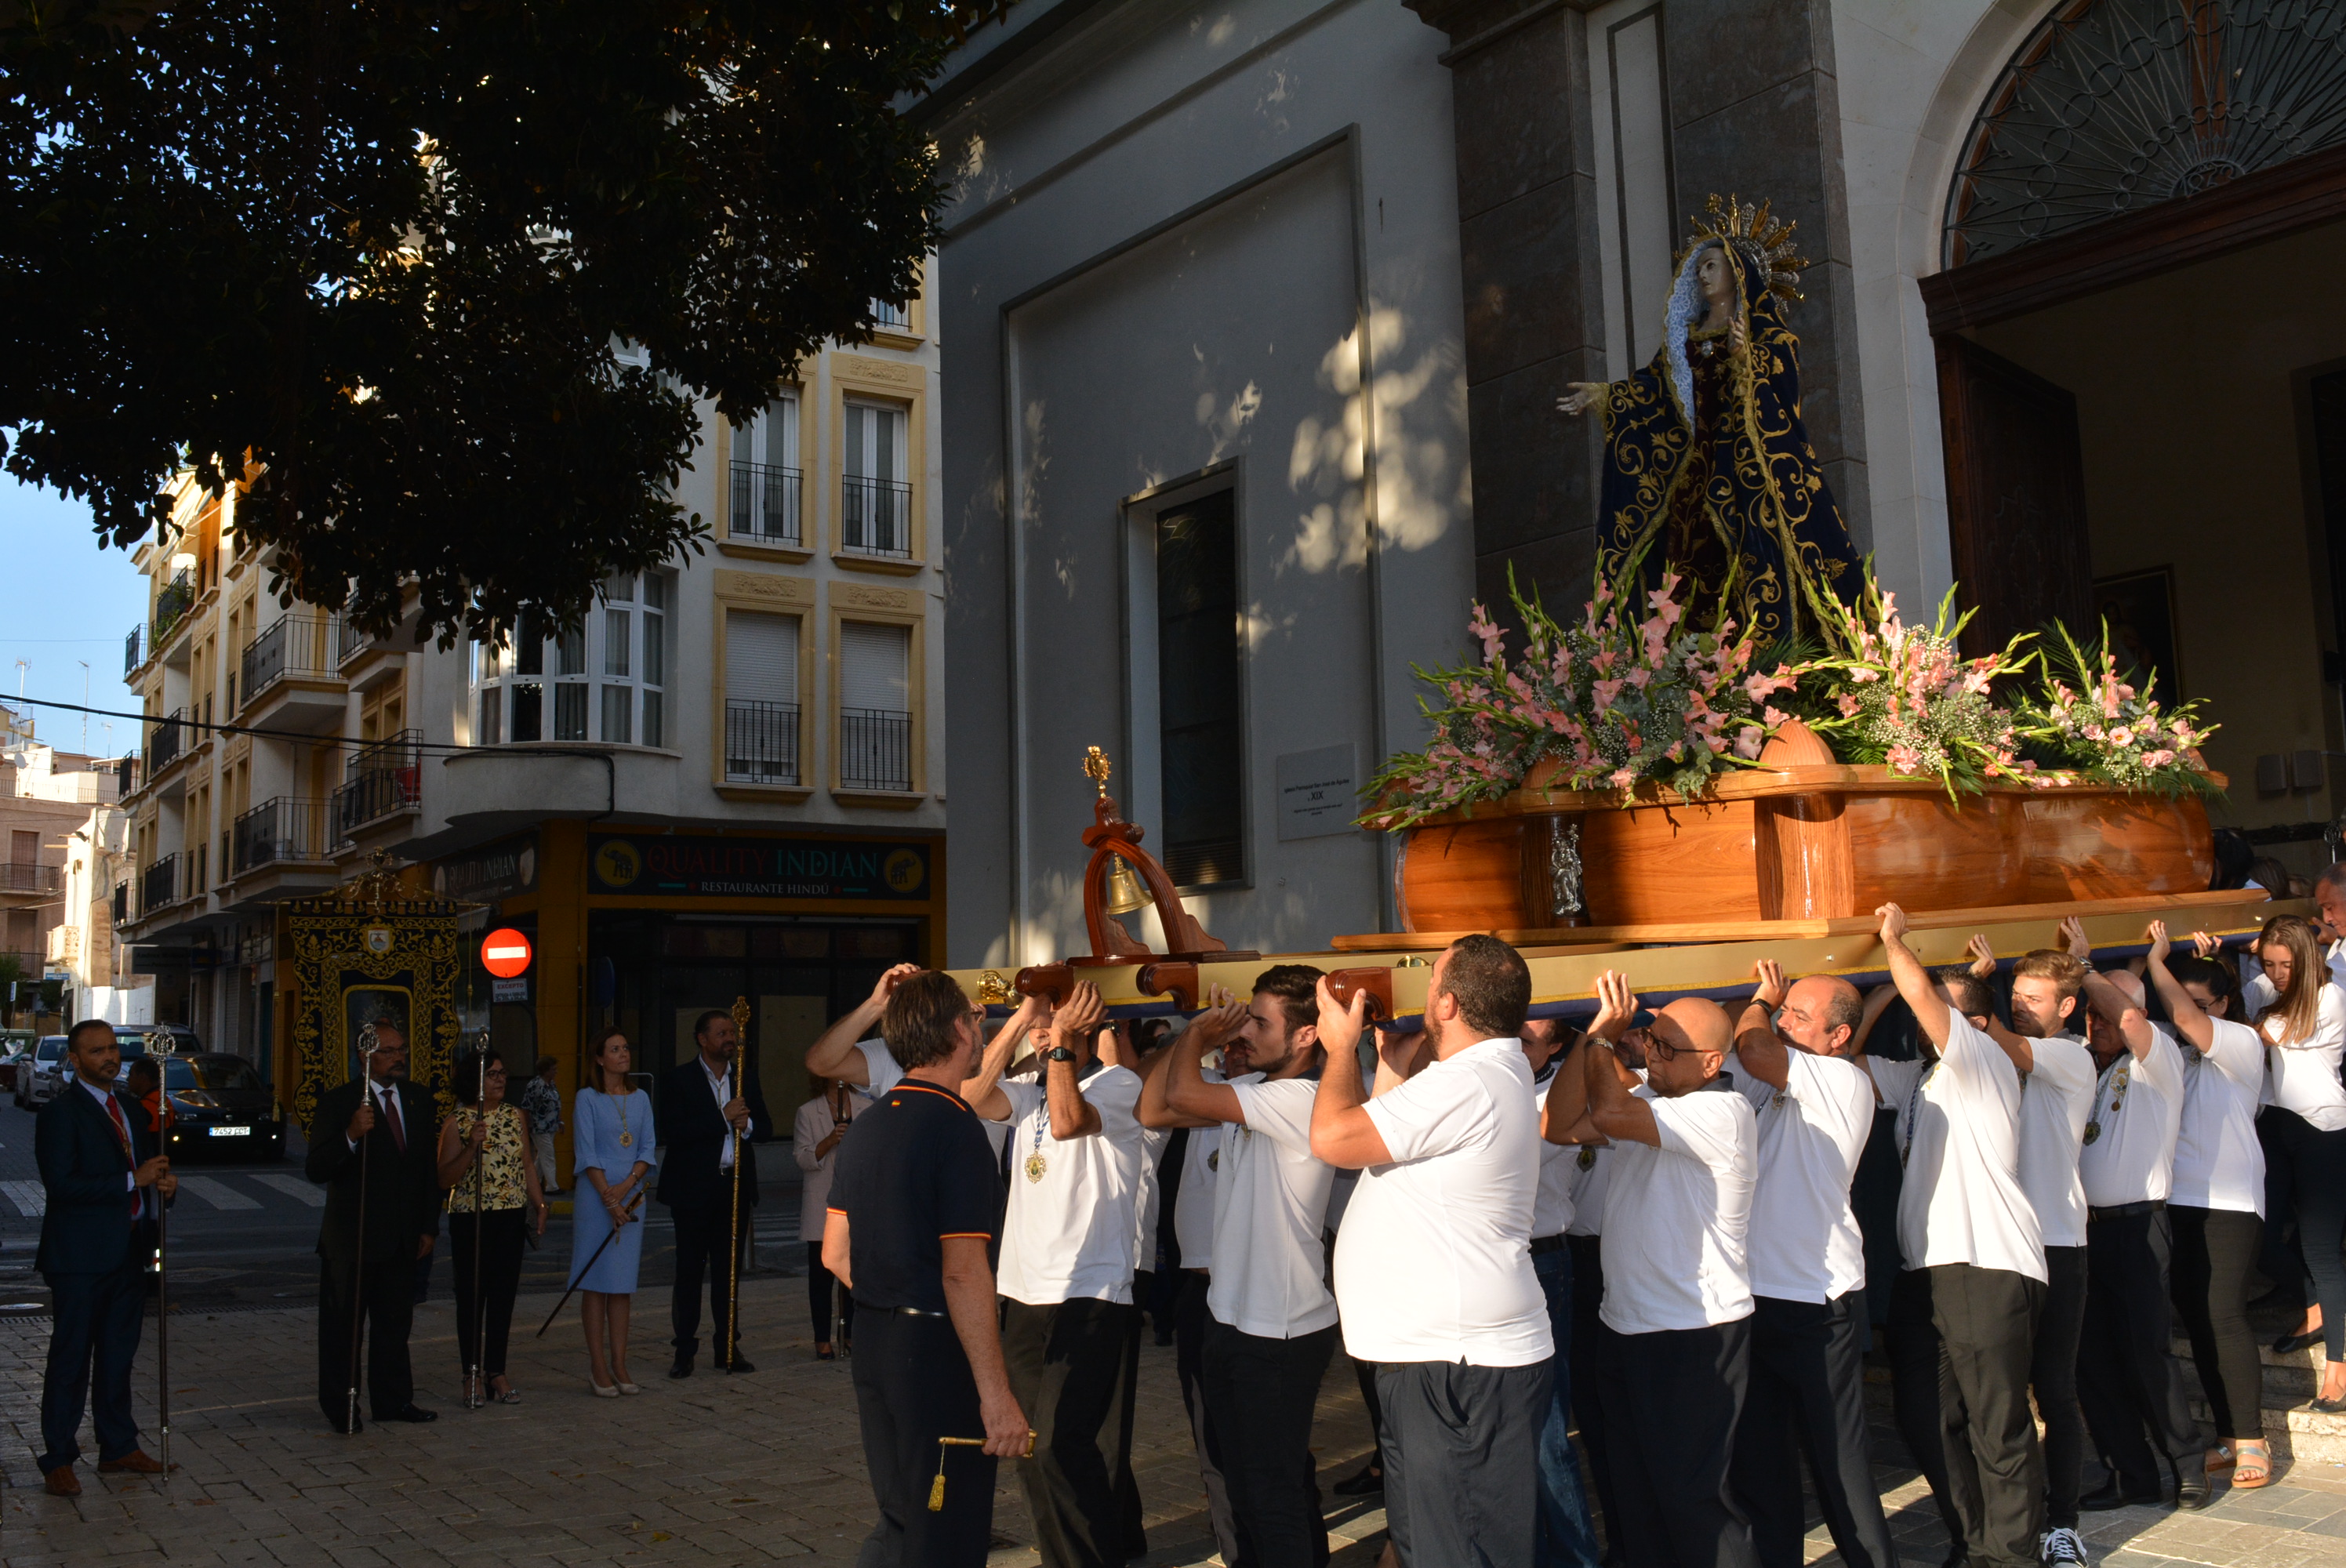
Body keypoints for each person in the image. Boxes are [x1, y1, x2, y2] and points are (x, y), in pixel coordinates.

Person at [1312, 935, 1551, 1568]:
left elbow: (1336, 1137)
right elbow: (1390, 1136)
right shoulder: (1485, 1073)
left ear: (1446, 1005)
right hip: (1438, 1358)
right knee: (1430, 1543)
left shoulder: (1468, 1081)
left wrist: (1340, 1050)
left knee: (1462, 1548)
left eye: (1428, 985)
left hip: (1456, 1365)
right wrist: (1388, 1062)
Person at [1557, 194, 1859, 643]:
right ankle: (1700, 669)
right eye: (1698, 268)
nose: (1702, 274)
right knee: (1689, 566)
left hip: (1747, 465)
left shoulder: (1768, 336)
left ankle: (1766, 657)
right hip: (1693, 469)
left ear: (1738, 273)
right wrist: (1606, 395)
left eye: (1712, 265)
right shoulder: (1685, 339)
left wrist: (1744, 356)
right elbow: (1656, 390)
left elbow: (1783, 389)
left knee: (1754, 552)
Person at [1545, 975, 1758, 1568]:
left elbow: (1607, 1110)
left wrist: (1599, 1042)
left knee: (1696, 1503)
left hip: (1695, 1333)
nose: (1651, 1054)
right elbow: (1558, 1127)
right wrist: (1595, 1039)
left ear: (1713, 1060)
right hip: (1627, 1326)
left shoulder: (1725, 1110)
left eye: (1667, 1047)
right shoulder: (1653, 1104)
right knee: (1635, 1497)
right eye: (1650, 1040)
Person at [825, 968, 1029, 1567]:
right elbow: (964, 1273)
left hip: (876, 1338)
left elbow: (835, 1253)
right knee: (947, 1529)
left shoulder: (867, 1125)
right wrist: (996, 1396)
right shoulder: (955, 1127)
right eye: (974, 1017)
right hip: (936, 1350)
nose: (981, 1028)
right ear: (958, 1032)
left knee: (901, 1518)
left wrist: (894, 1295)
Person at [1863, 905, 2045, 1568]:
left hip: (1986, 1263)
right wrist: (1882, 986)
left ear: (1973, 1022)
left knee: (1997, 1426)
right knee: (1924, 1418)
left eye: (1937, 1008)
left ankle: (2014, 1555)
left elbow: (1924, 993)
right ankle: (1974, 1542)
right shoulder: (1919, 1078)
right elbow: (1849, 1059)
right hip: (1925, 1272)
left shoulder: (1985, 1062)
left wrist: (1893, 942)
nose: (1921, 1019)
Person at [1162, 964, 1345, 1568]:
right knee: (1247, 1490)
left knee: (1273, 1498)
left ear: (1305, 1037)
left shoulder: (1302, 1097)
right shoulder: (1257, 1094)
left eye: (1258, 1023)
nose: (1244, 1033)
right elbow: (1151, 1110)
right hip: (1232, 1321)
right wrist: (1203, 1039)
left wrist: (1199, 1035)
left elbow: (1182, 1094)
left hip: (1281, 1332)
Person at [963, 980, 1146, 1568]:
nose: (1043, 1034)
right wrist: (1019, 1020)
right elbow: (967, 1097)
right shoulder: (1026, 1088)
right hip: (1022, 1290)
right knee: (1028, 1445)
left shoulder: (1118, 1085)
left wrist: (1063, 1042)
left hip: (1089, 1289)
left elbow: (1068, 1123)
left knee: (1062, 1445)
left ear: (1086, 1023)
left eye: (1054, 1021)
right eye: (1041, 1026)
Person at [1725, 962, 1899, 1568]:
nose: (1783, 1020)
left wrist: (1758, 999)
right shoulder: (1766, 1079)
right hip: (1754, 1299)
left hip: (1818, 1303)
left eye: (1800, 1014)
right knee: (1762, 1468)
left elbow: (1749, 1044)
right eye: (1783, 1009)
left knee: (1839, 1465)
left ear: (1838, 1037)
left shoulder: (1840, 1080)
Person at [2070, 935, 2209, 1509]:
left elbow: (2127, 1014)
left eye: (2104, 1014)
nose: (2097, 1023)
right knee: (2094, 1360)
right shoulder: (2088, 1070)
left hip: (2136, 1229)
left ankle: (2187, 1464)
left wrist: (2084, 966)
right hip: (2088, 1231)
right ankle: (2130, 1473)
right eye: (2090, 1015)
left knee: (2148, 1353)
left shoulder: (2160, 1061)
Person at [2145, 933, 2272, 1488]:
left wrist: (2155, 961)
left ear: (2222, 1006)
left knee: (2223, 1315)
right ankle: (2225, 1435)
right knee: (2197, 1322)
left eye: (2200, 1006)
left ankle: (2253, 1439)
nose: (2186, 1016)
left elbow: (2185, 1019)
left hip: (2229, 1201)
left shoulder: (2242, 1042)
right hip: (2178, 1199)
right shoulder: (2176, 1053)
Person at [34, 1018, 177, 1496]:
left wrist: (164, 1187)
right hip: (78, 1257)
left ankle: (118, 1447)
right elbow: (62, 1186)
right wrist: (129, 1182)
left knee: (118, 1358)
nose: (109, 1058)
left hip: (128, 1251)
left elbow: (148, 1172)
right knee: (71, 1359)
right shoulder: (61, 1113)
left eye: (113, 1049)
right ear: (75, 1060)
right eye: (96, 1051)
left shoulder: (134, 1110)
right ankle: (58, 1457)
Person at [2001, 938, 2096, 1552]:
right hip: (2006, 1246)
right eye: (2014, 998)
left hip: (2058, 1244)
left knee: (2054, 1390)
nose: (2021, 1008)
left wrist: (1970, 1001)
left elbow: (1995, 1041)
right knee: (2003, 1393)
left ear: (2066, 1007)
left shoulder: (2070, 1057)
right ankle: (2014, 1520)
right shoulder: (2013, 1058)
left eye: (2033, 999)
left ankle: (2063, 1523)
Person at [1138, 1013, 1241, 1566]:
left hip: (1255, 1291)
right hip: (1197, 1289)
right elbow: (1152, 1107)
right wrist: (1190, 1037)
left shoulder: (1276, 1094)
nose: (1240, 1050)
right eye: (1235, 1041)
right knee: (1210, 1437)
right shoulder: (1207, 1094)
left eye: (1254, 1036)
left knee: (1263, 1446)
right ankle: (1234, 1548)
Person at [306, 1018, 441, 1433]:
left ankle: (393, 1400)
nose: (399, 1058)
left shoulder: (419, 1100)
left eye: (401, 1050)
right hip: (352, 1238)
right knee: (343, 1330)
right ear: (365, 1056)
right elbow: (317, 1167)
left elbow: (425, 1172)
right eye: (388, 1051)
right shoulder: (340, 1101)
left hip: (401, 1238)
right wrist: (350, 1134)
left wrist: (427, 1227)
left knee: (394, 1326)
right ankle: (342, 1406)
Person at [2246, 916, 2346, 1412]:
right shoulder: (2265, 990)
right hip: (2275, 1124)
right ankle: (2316, 1304)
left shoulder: (2329, 997)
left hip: (2322, 1129)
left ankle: (2339, 1371)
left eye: (2287, 963)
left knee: (2322, 1248)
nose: (2278, 973)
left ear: (2306, 958)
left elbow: (2266, 1035)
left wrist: (2251, 1009)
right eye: (2269, 963)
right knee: (2260, 1239)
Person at [1516, 1014, 1603, 1568]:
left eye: (1526, 1038)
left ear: (1557, 1043)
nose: (1510, 1040)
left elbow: (1542, 1136)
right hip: (1496, 1265)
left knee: (1546, 1434)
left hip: (1544, 1261)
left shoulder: (1560, 1095)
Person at [656, 1007, 772, 1377]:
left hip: (733, 1188)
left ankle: (728, 1346)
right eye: (721, 1033)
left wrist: (746, 1123)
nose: (730, 1039)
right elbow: (673, 1131)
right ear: (702, 1039)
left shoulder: (745, 1078)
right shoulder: (679, 1079)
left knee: (730, 1272)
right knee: (690, 1270)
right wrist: (720, 1117)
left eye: (732, 1033)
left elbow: (766, 1127)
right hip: (692, 1191)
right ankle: (684, 1350)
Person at [438, 1046, 547, 1405]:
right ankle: (470, 1373)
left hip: (510, 1214)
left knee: (502, 1297)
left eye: (502, 1073)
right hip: (472, 1216)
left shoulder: (516, 1116)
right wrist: (471, 1146)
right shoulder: (457, 1122)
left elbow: (527, 1165)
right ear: (475, 1080)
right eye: (493, 1074)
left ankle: (496, 1371)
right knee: (472, 1298)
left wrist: (539, 1202)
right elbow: (445, 1178)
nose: (501, 1080)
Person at [571, 1026, 654, 1396]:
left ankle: (620, 1362)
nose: (623, 1054)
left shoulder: (641, 1099)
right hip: (596, 1198)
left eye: (625, 1047)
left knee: (621, 1285)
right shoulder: (587, 1098)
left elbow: (647, 1148)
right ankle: (598, 1365)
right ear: (600, 1058)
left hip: (632, 1195)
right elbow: (586, 1152)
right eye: (614, 1049)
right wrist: (609, 1196)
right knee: (596, 1283)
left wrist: (626, 1188)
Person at [795, 1073, 859, 1359]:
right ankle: (822, 1337)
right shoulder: (808, 1112)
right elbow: (803, 1158)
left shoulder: (866, 1107)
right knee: (821, 1276)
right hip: (822, 1202)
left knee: (854, 1272)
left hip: (856, 1201)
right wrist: (829, 1140)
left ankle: (851, 1334)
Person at [521, 1054, 564, 1196]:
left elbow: (556, 1104)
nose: (556, 1072)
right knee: (548, 1154)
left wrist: (559, 1122)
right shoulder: (535, 1086)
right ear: (545, 1070)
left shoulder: (551, 1084)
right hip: (539, 1126)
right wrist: (527, 1127)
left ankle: (532, 1183)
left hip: (550, 1126)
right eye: (553, 1069)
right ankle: (551, 1186)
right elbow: (527, 1106)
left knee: (542, 1156)